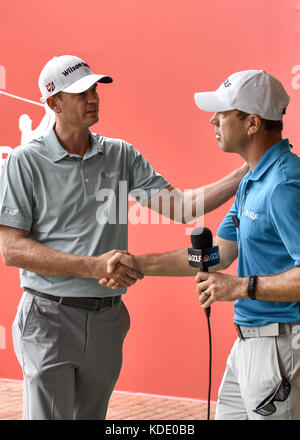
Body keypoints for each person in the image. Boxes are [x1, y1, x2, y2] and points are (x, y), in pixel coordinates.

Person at [0, 55, 247, 420]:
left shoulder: (120, 154)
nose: (93, 98)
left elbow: (182, 207)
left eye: (95, 89)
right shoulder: (24, 162)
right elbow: (11, 249)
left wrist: (248, 169)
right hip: (48, 318)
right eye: (80, 92)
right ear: (53, 103)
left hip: (107, 318)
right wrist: (91, 267)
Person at [105, 69, 300, 420]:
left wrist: (239, 286)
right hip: (249, 346)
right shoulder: (253, 180)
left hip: (281, 347)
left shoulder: (284, 185)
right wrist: (138, 264)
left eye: (222, 113)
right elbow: (218, 253)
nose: (213, 120)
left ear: (252, 123)